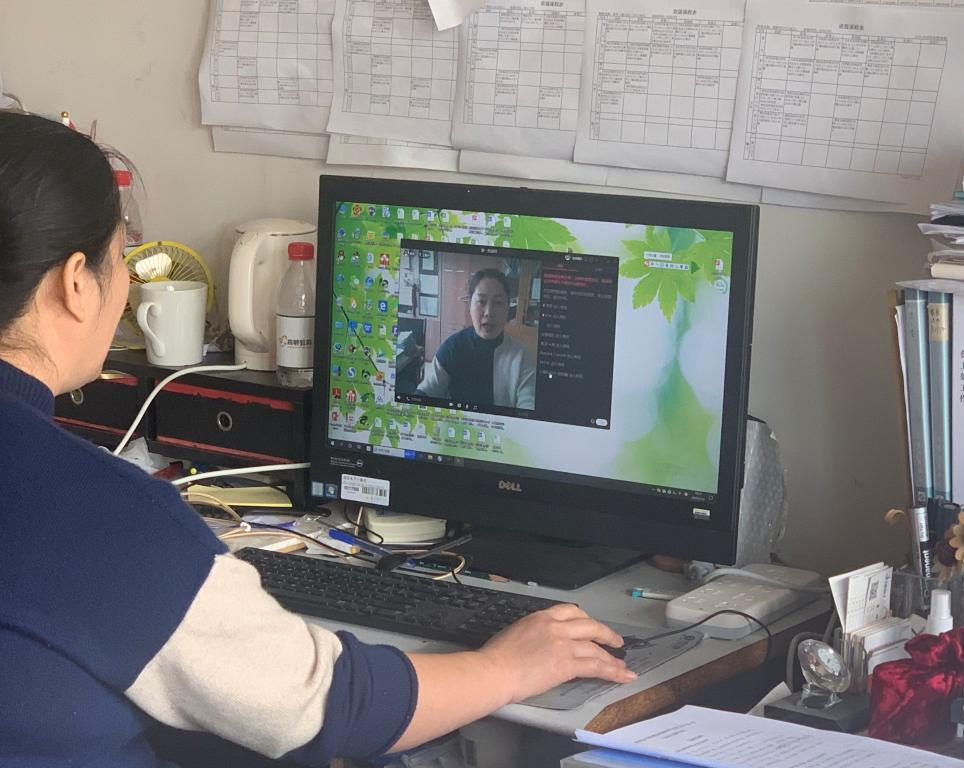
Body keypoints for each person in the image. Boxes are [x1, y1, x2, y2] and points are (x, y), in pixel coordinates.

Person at [0, 112, 634, 767]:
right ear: (75, 283)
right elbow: (333, 707)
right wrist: (508, 667)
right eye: (119, 260)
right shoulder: (97, 515)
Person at [416, 268, 536, 409]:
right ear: (470, 306)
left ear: (508, 308)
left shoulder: (522, 356)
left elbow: (529, 403)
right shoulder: (452, 348)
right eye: (481, 301)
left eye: (498, 303)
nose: (488, 313)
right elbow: (426, 391)